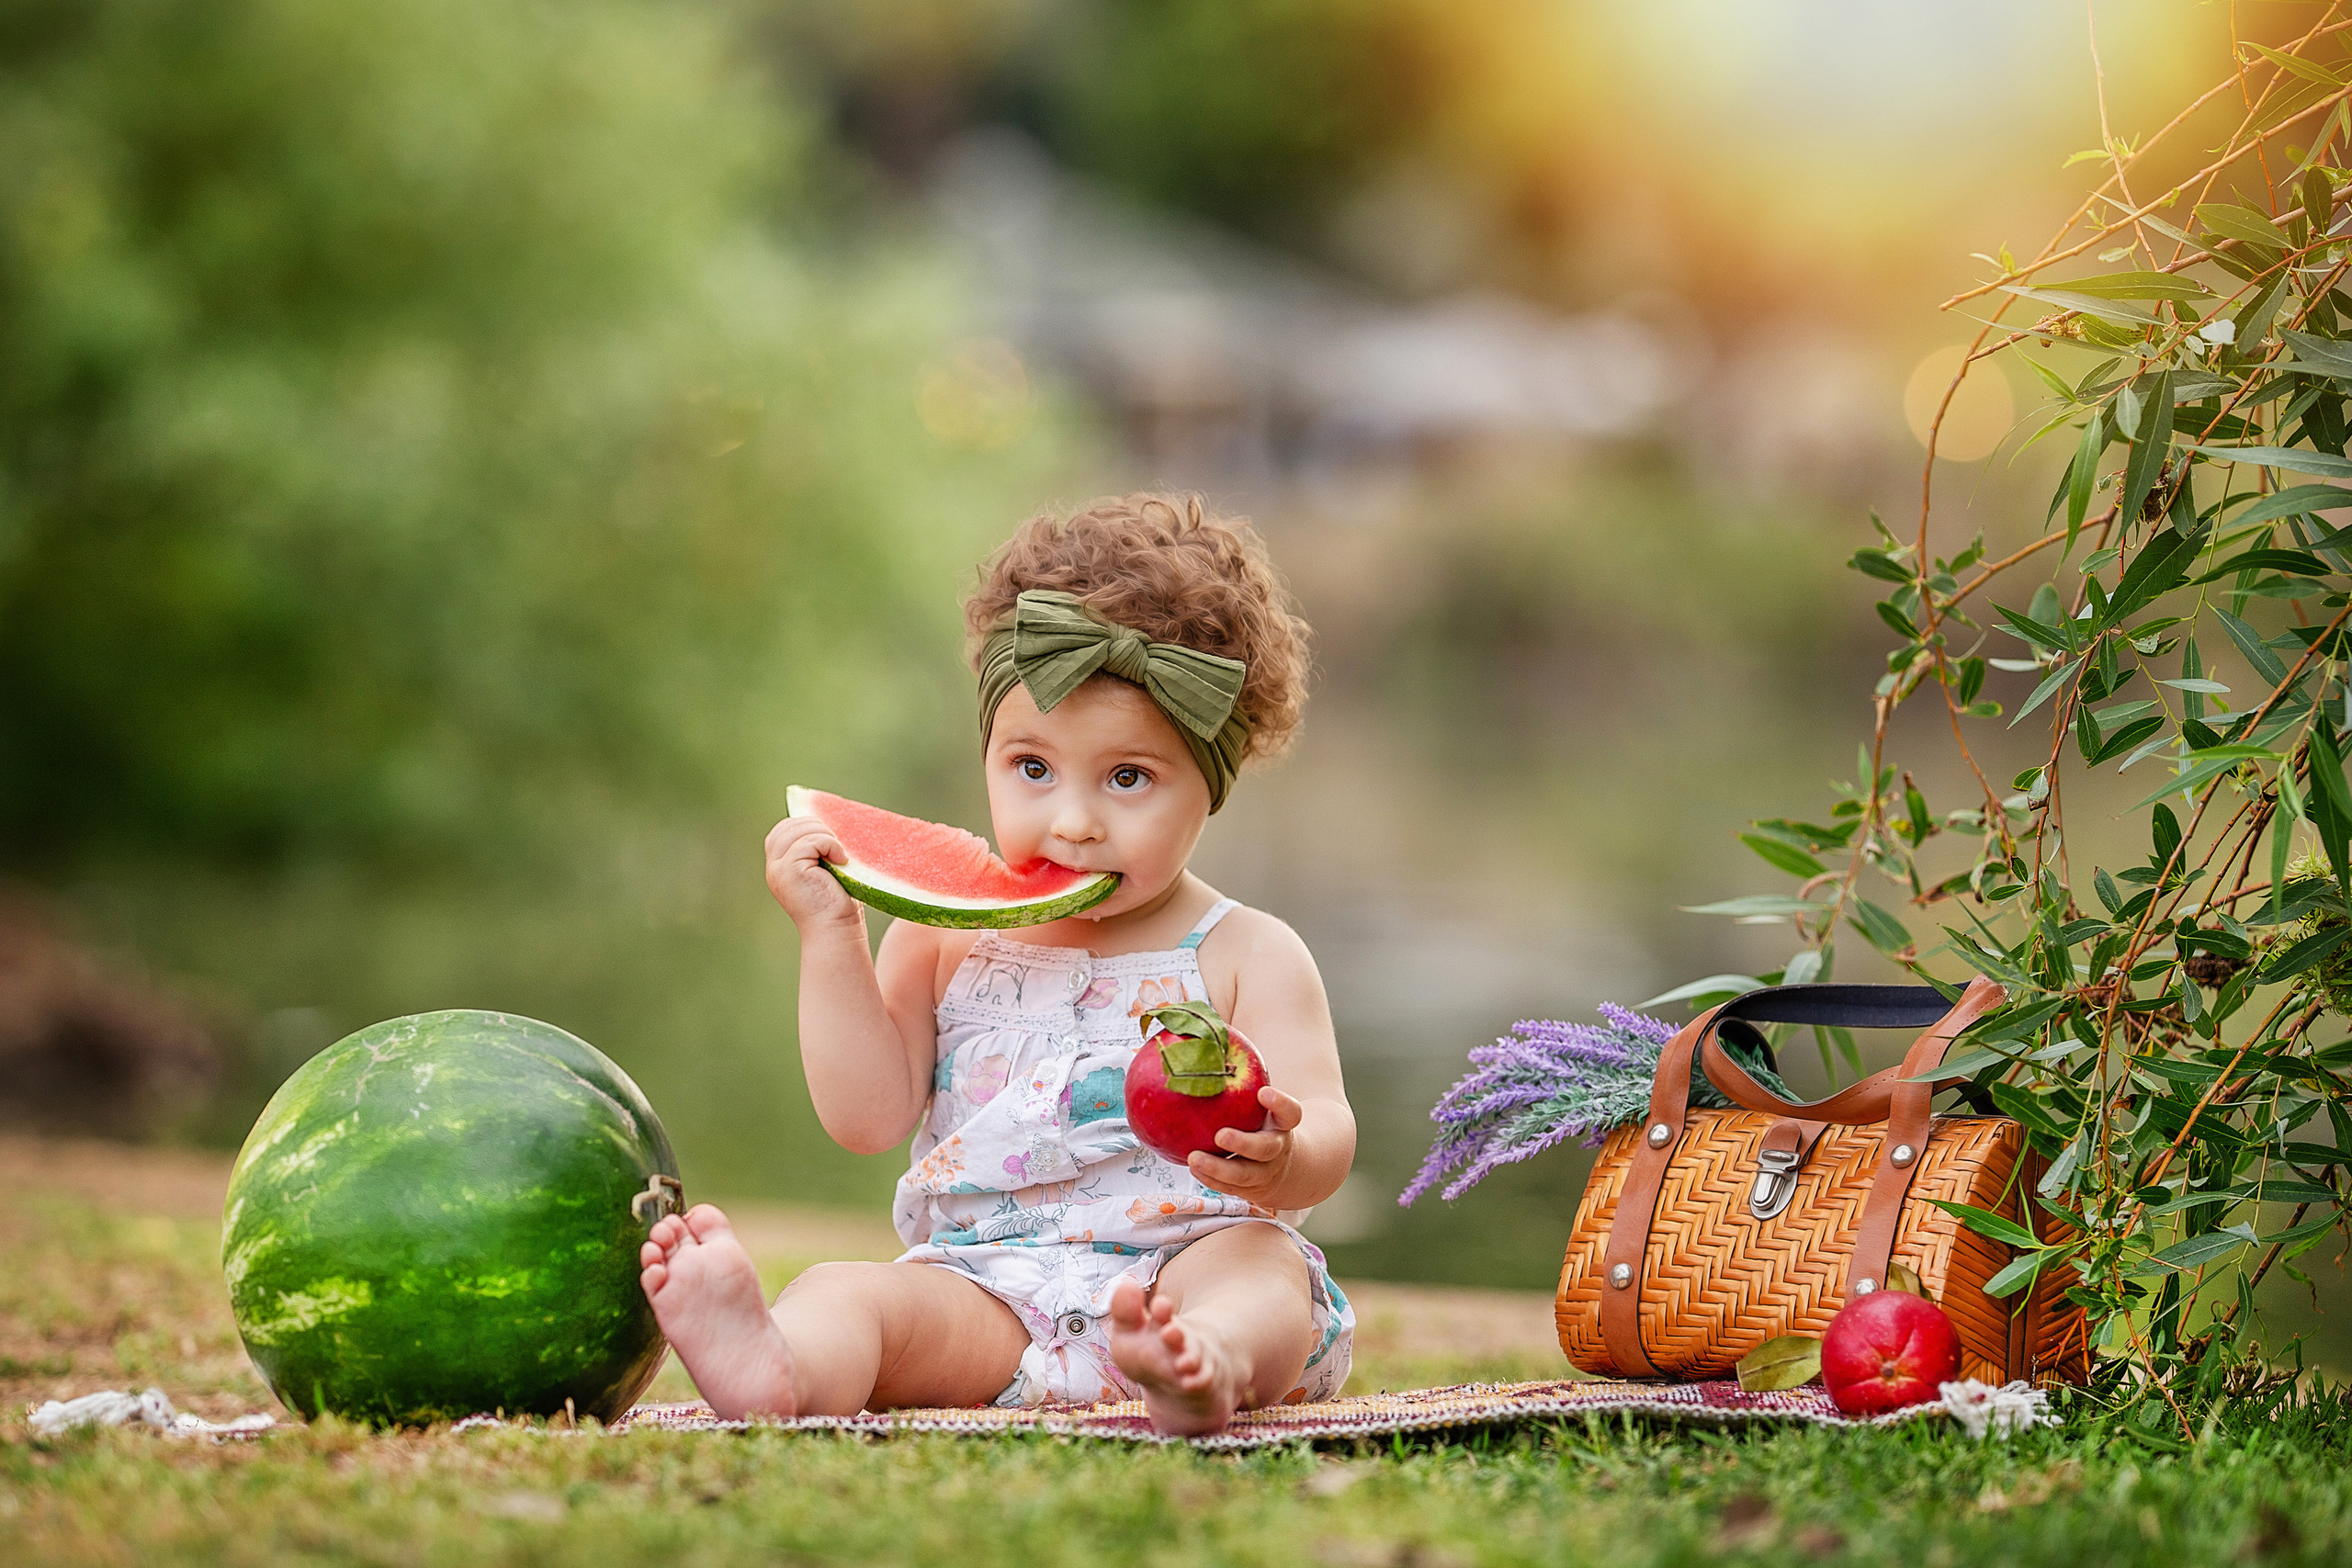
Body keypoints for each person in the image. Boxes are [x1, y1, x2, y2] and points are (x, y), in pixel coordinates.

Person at [639, 492, 1355, 1435]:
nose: (1072, 820)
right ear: (986, 753)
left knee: (1258, 1271)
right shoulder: (942, 938)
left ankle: (1200, 1364)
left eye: (1127, 778)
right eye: (1031, 768)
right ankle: (779, 1363)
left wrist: (1281, 1158)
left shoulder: (1243, 950)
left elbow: (1328, 1137)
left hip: (1189, 1261)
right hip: (986, 1297)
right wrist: (831, 938)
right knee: (851, 1293)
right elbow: (867, 1118)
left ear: (1208, 790)